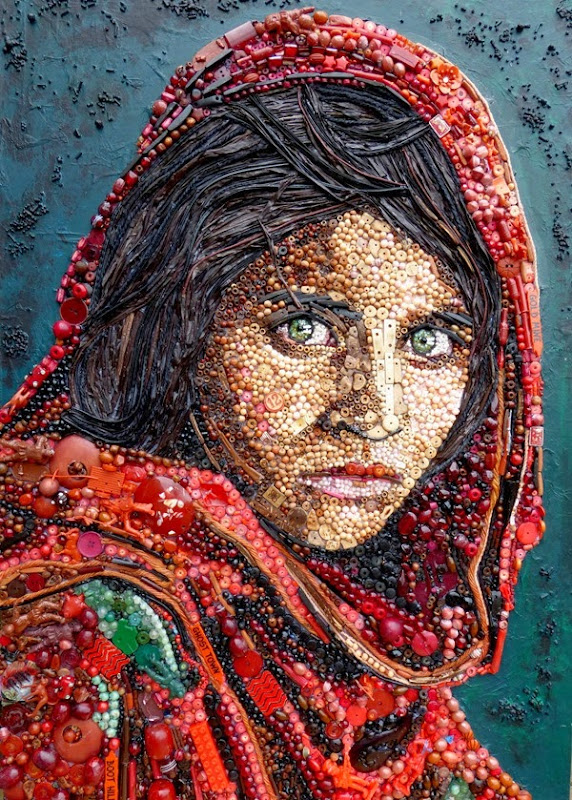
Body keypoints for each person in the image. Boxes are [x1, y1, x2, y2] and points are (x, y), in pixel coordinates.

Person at [0, 9, 544, 800]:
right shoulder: (83, 641)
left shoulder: (358, 650)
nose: (376, 413)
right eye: (305, 328)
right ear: (178, 329)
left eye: (431, 341)